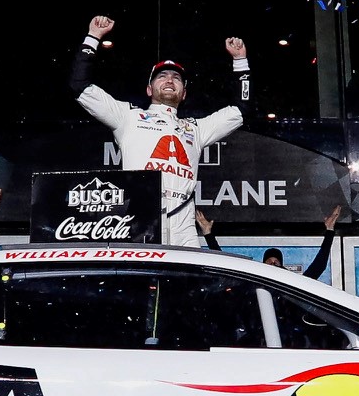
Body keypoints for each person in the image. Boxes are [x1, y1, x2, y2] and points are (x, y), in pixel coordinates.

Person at [70, 14, 251, 246]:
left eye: (177, 78)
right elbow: (80, 86)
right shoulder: (128, 116)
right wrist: (93, 37)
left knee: (187, 283)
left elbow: (241, 109)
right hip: (139, 220)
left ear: (183, 93)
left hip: (184, 228)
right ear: (149, 89)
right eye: (162, 76)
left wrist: (240, 61)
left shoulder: (196, 129)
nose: (169, 80)